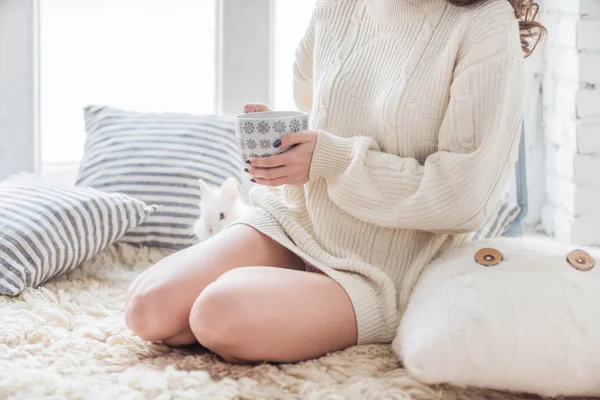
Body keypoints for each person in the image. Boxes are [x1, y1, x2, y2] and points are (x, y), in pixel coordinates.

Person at [124, 0, 545, 364]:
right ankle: (280, 313)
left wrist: (332, 159)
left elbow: (463, 197)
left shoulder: (485, 25)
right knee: (147, 310)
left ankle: (294, 314)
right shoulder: (339, 6)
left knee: (216, 313)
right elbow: (318, 110)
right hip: (299, 222)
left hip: (382, 270)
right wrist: (291, 146)